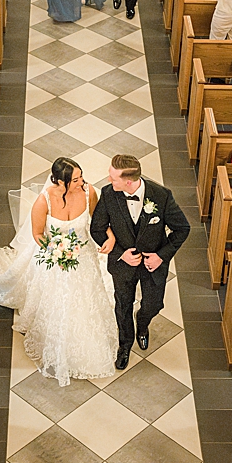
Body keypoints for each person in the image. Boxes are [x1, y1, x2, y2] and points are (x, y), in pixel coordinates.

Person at [0, 158, 119, 386]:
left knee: (86, 298)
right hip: (54, 256)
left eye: (81, 176)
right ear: (60, 181)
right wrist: (55, 250)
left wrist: (111, 235)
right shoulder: (44, 200)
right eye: (75, 180)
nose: (82, 182)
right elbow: (38, 234)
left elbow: (98, 222)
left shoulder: (89, 193)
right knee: (56, 299)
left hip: (83, 255)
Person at [90, 155, 191, 370]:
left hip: (152, 264)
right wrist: (120, 253)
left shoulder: (161, 196)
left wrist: (161, 255)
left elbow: (183, 228)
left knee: (154, 304)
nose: (109, 181)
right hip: (123, 265)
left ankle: (143, 324)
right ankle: (125, 344)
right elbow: (97, 229)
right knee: (122, 305)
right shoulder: (109, 194)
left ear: (128, 181)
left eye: (113, 178)